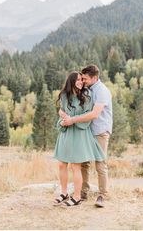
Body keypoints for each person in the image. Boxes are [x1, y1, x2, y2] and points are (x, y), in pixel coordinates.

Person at [60, 64, 112, 208]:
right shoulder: (86, 90)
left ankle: (102, 195)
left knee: (100, 163)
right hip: (87, 131)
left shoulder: (102, 91)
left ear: (95, 78)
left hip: (100, 131)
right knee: (84, 163)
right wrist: (64, 114)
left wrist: (72, 120)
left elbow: (94, 114)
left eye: (85, 79)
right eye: (82, 78)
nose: (83, 81)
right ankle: (83, 192)